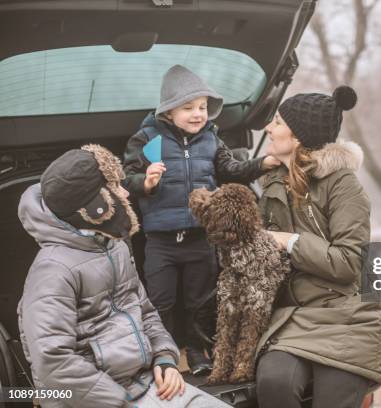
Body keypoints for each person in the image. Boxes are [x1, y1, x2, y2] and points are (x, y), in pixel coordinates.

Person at [17, 145, 231, 408]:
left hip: (146, 382)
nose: (126, 192)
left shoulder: (114, 246)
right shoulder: (52, 270)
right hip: (97, 399)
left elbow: (145, 310)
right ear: (96, 207)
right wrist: (121, 401)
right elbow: (53, 364)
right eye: (115, 186)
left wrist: (164, 358)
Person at [123, 65, 280, 375]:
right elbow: (126, 179)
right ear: (168, 111)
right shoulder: (146, 140)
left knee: (200, 300)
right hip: (161, 242)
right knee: (160, 301)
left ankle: (197, 351)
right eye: (188, 108)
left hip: (200, 238)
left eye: (203, 107)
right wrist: (146, 182)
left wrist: (264, 163)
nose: (198, 114)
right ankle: (163, 355)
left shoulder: (211, 139)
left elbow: (232, 170)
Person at [254, 86, 381, 408]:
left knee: (333, 396)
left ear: (299, 136)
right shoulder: (273, 182)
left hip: (349, 316)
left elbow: (348, 263)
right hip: (294, 316)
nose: (268, 129)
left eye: (276, 122)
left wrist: (289, 241)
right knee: (274, 382)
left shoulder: (344, 185)